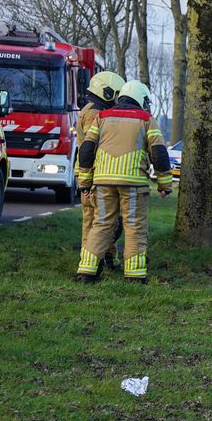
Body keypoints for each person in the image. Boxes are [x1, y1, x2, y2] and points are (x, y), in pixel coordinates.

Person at [74, 80, 173, 284]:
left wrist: (84, 182)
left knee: (101, 224)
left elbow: (86, 150)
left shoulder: (101, 117)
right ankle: (135, 276)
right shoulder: (147, 119)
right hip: (134, 184)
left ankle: (86, 271)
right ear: (141, 99)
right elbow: (159, 154)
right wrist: (165, 185)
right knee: (134, 226)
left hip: (102, 183)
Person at [75, 71, 125, 270]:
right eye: (116, 95)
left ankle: (106, 257)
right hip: (94, 176)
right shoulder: (94, 113)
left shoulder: (90, 109)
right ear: (107, 92)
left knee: (105, 219)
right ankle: (91, 261)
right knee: (96, 221)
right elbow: (93, 146)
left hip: (91, 175)